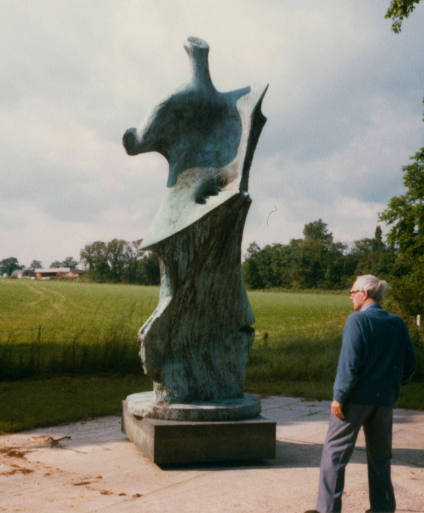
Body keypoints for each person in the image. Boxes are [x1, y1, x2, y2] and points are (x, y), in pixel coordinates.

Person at [305, 274, 416, 513]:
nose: (351, 297)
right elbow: (410, 363)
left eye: (352, 292)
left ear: (364, 294)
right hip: (385, 400)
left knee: (334, 454)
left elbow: (350, 363)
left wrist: (339, 397)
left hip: (354, 400)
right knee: (380, 457)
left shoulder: (358, 321)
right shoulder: (397, 322)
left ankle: (327, 509)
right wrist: (393, 385)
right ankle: (383, 508)